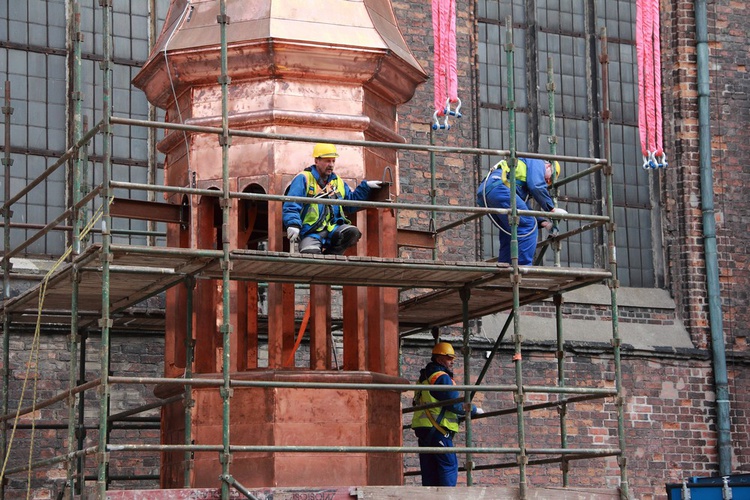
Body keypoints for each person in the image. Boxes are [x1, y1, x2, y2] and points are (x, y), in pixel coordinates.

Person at [282, 143, 382, 255]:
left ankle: (332, 256)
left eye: (333, 161)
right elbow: (292, 204)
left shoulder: (337, 182)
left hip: (332, 228)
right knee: (310, 254)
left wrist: (366, 187)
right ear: (316, 161)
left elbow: (350, 203)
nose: (331, 164)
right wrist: (293, 224)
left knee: (352, 232)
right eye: (327, 161)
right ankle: (320, 256)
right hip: (311, 231)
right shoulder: (304, 178)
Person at [411, 342, 483, 487]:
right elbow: (453, 403)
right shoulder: (441, 377)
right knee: (448, 466)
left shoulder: (424, 378)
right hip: (437, 429)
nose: (452, 362)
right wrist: (473, 410)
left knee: (430, 469)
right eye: (449, 358)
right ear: (439, 359)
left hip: (423, 429)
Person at [476, 157, 567, 265]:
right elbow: (537, 186)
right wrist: (551, 209)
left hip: (489, 190)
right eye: (549, 178)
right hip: (499, 187)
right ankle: (523, 267)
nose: (547, 182)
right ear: (548, 166)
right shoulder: (537, 163)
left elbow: (525, 208)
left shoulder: (521, 177)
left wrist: (545, 223)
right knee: (529, 226)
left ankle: (505, 266)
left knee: (511, 229)